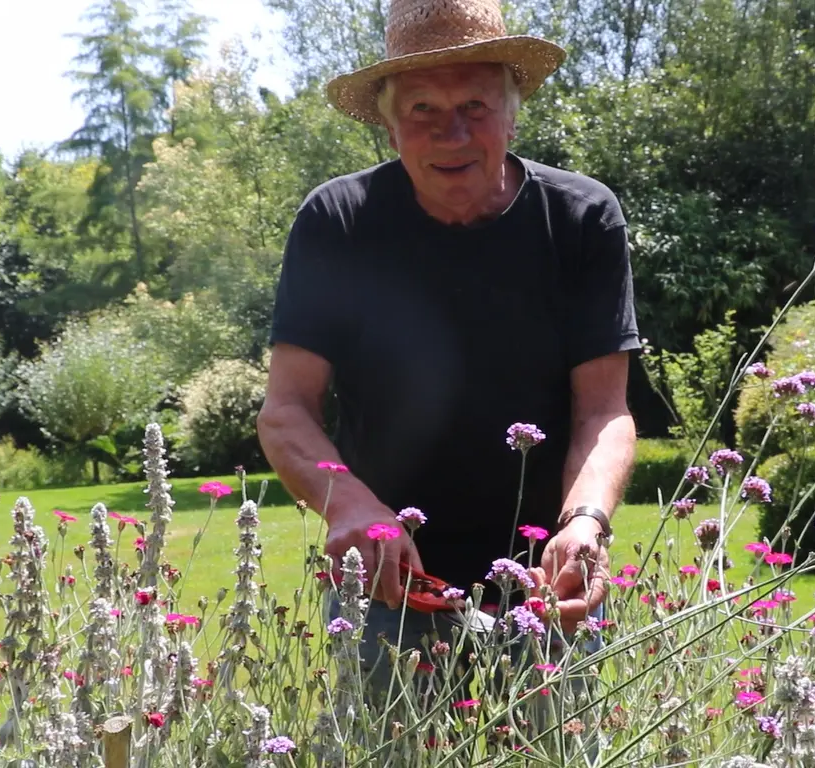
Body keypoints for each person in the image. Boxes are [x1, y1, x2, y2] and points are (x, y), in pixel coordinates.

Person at [256, 0, 639, 706]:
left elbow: (603, 411)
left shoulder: (581, 217)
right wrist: (354, 510)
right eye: (423, 109)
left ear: (512, 111)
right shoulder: (337, 223)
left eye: (474, 104)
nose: (450, 131)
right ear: (390, 124)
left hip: (545, 586)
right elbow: (285, 411)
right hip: (388, 588)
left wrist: (584, 520)